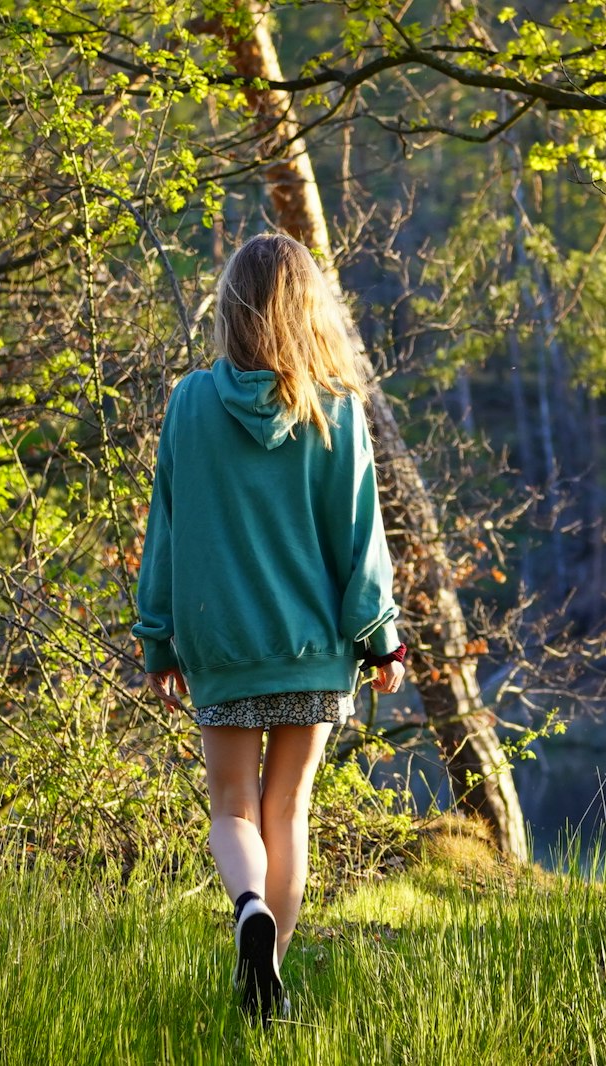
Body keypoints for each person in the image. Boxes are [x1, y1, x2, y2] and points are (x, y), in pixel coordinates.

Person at [132, 233, 408, 1025]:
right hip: (313, 648)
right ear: (307, 310)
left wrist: (157, 638)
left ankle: (247, 905)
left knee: (232, 807)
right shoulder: (337, 409)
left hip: (221, 646)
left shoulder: (189, 402)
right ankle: (268, 978)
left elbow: (167, 530)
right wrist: (380, 635)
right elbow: (358, 539)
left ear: (232, 310)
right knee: (287, 809)